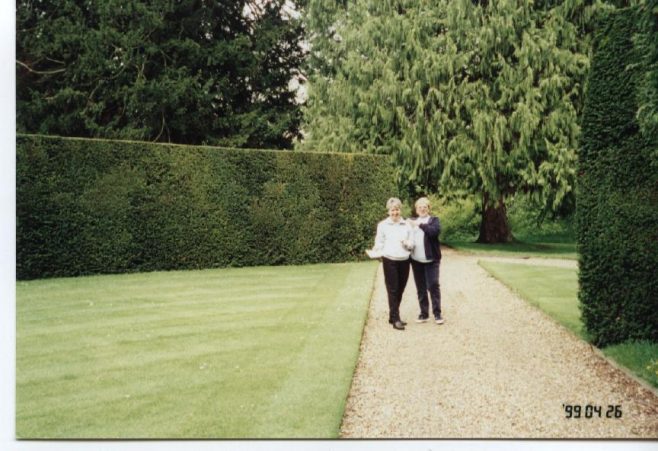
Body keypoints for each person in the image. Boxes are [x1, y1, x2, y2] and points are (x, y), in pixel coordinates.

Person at [370, 197, 413, 330]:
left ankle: (392, 315)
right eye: (393, 210)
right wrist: (376, 250)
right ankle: (396, 318)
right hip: (389, 260)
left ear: (401, 210)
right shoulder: (382, 225)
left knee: (401, 288)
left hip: (404, 260)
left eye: (397, 209)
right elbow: (379, 241)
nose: (395, 212)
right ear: (388, 211)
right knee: (393, 289)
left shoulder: (406, 225)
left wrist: (408, 244)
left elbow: (412, 243)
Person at [407, 197, 444, 325]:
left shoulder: (434, 220)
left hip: (432, 259)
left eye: (425, 207)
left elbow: (433, 232)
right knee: (420, 288)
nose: (422, 209)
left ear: (428, 208)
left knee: (433, 285)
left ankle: (437, 313)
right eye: (419, 207)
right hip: (416, 260)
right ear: (416, 210)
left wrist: (419, 224)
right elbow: (407, 237)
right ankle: (424, 314)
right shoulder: (411, 222)